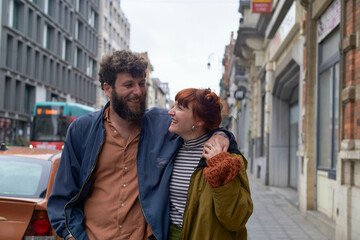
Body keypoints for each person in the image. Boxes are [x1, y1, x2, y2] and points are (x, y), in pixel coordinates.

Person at [47, 50, 235, 240]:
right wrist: (72, 236)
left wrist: (222, 135)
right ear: (108, 89)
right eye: (129, 85)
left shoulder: (164, 126)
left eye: (141, 83)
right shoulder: (82, 130)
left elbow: (201, 127)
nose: (138, 91)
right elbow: (62, 198)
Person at [166, 88, 253, 239]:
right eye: (174, 106)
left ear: (198, 121)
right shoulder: (171, 149)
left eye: (179, 108)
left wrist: (220, 169)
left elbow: (236, 218)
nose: (170, 112)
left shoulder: (226, 158)